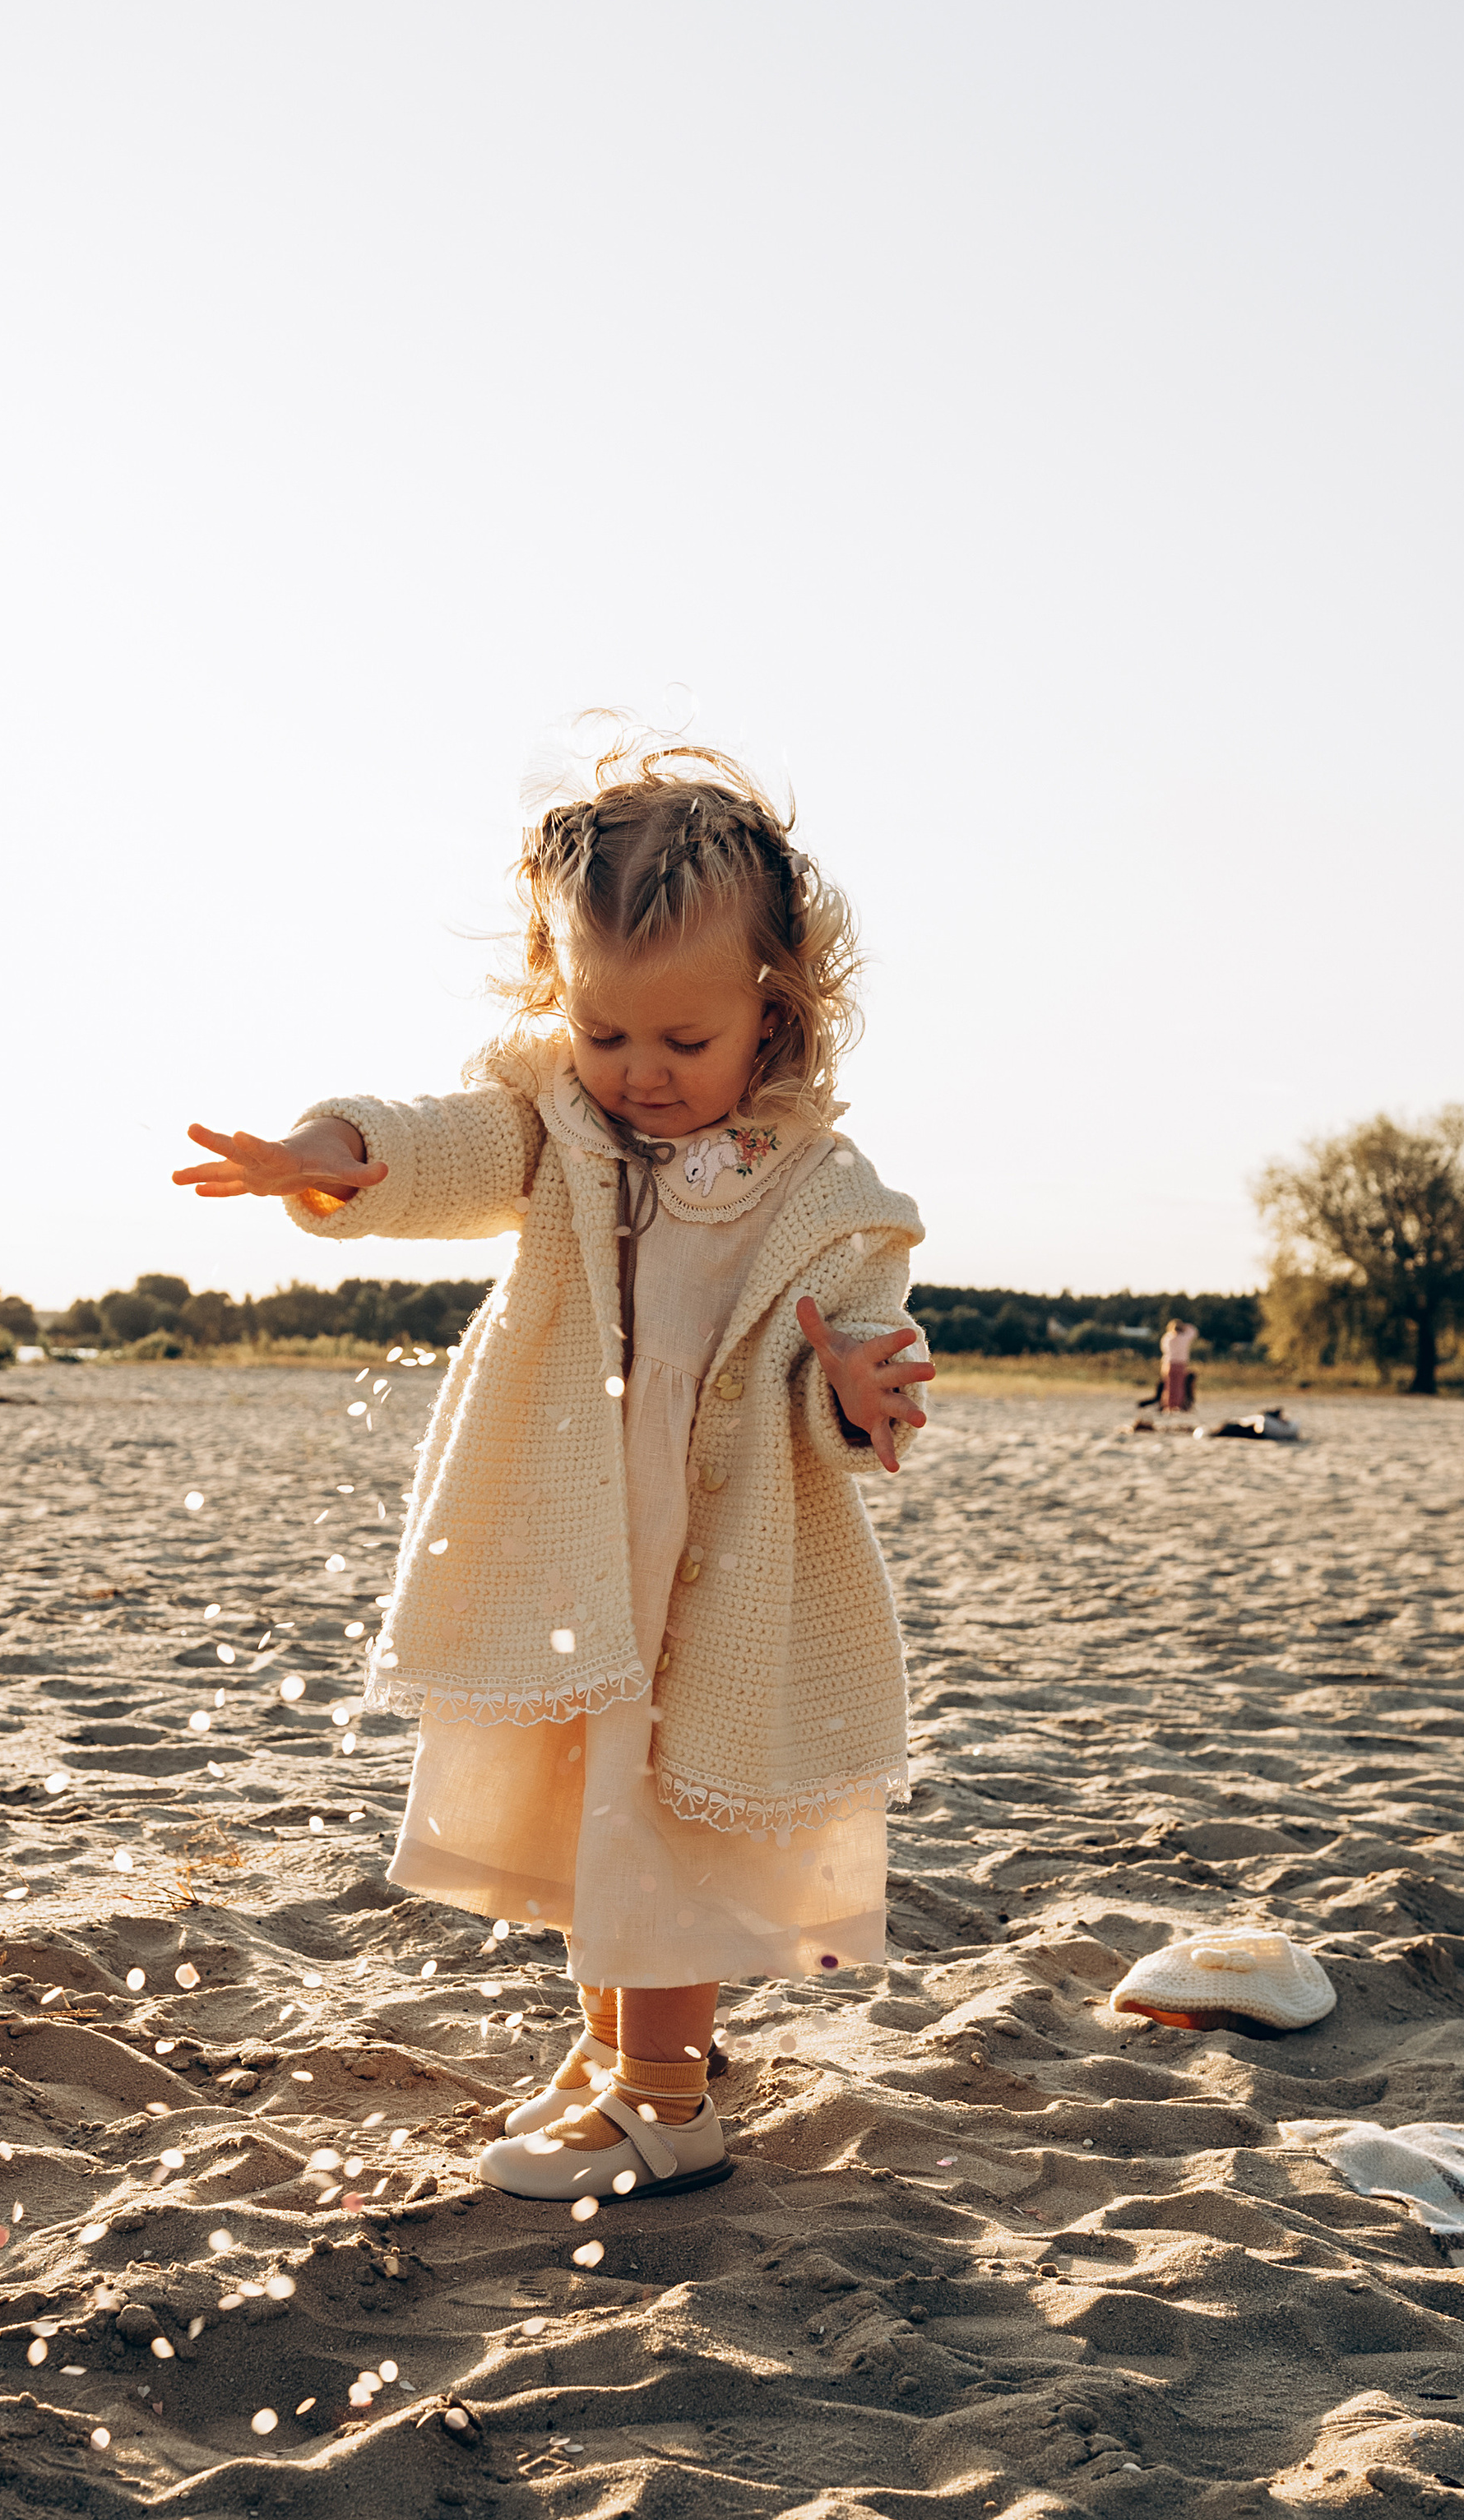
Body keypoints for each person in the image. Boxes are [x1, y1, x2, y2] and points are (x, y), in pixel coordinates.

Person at [173, 734, 931, 2207]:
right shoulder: (556, 1126)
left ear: (773, 1018)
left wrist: (855, 1384)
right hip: (584, 1543)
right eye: (604, 1033)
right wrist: (320, 1151)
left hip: (719, 1559)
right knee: (598, 1800)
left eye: (682, 1043)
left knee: (669, 1811)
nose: (638, 1075)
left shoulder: (830, 1193)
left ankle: (665, 2098)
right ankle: (617, 2050)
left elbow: (870, 1354)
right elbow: (438, 1142)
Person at [1161, 1314, 1198, 1414]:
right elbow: (1194, 1331)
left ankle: (1168, 1406)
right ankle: (1177, 1405)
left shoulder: (1168, 1337)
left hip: (1169, 1363)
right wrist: (1185, 1326)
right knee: (1179, 1387)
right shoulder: (1184, 1338)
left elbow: (1164, 1349)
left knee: (1169, 1386)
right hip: (1181, 1363)